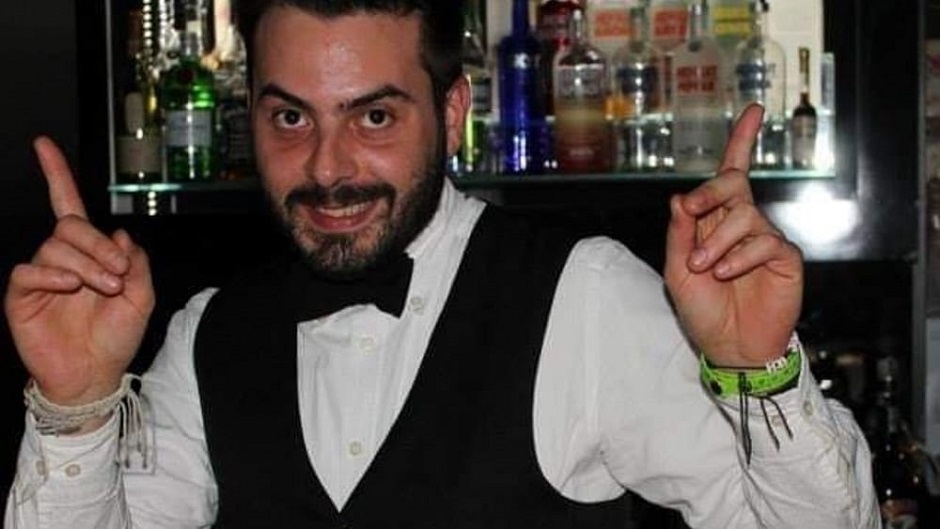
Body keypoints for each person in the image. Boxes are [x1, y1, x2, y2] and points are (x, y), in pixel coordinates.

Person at [4, 0, 877, 527]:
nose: (328, 168)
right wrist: (75, 411)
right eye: (291, 118)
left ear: (452, 111)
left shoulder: (586, 297)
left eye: (374, 117)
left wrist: (760, 374)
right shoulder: (207, 333)